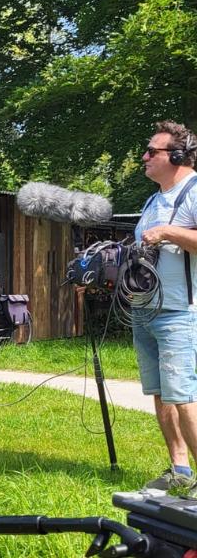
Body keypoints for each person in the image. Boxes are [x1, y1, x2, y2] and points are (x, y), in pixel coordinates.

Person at [134, 120, 197, 495]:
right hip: (145, 310)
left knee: (183, 394)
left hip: (178, 311)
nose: (144, 157)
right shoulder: (153, 200)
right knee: (160, 392)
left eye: (151, 151)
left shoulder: (194, 190)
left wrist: (168, 232)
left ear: (176, 156)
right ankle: (180, 470)